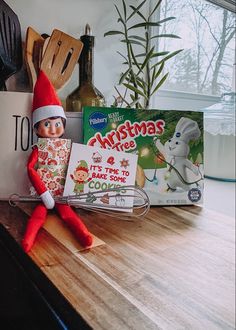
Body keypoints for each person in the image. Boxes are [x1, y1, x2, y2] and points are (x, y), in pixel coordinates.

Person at [22, 70, 93, 252]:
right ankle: (28, 241)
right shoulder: (39, 148)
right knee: (37, 216)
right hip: (44, 193)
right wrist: (44, 193)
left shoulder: (67, 146)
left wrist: (77, 188)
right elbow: (30, 169)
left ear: (63, 125)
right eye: (47, 124)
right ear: (37, 128)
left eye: (57, 124)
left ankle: (84, 235)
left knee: (69, 215)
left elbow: (77, 165)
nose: (53, 129)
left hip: (63, 193)